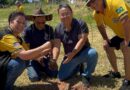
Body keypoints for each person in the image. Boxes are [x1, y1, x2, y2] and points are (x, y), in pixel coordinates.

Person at [0, 11, 54, 90]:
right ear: (11, 21)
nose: (21, 25)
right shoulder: (7, 36)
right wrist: (43, 47)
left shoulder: (18, 38)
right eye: (18, 22)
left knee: (53, 73)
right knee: (19, 63)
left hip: (5, 62)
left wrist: (39, 57)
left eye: (23, 23)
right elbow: (24, 55)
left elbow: (27, 51)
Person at [86, 0, 130, 89]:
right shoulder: (96, 14)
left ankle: (128, 80)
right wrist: (105, 38)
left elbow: (125, 20)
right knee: (107, 46)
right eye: (89, 4)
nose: (92, 5)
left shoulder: (116, 2)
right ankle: (115, 73)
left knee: (125, 47)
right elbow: (100, 26)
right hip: (121, 34)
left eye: (93, 1)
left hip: (128, 31)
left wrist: (127, 40)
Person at [52, 3, 98, 90]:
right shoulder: (58, 28)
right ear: (59, 16)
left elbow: (82, 40)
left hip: (83, 52)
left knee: (93, 53)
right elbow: (57, 46)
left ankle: (86, 76)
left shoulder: (80, 23)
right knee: (61, 77)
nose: (65, 16)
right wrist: (54, 59)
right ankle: (78, 66)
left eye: (67, 13)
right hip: (70, 57)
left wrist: (72, 54)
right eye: (62, 14)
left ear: (72, 13)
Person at [24, 8, 58, 82]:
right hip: (33, 57)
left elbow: (52, 44)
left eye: (43, 22)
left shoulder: (49, 29)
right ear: (33, 20)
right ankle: (35, 68)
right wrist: (37, 57)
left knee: (54, 74)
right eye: (38, 22)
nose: (41, 24)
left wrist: (52, 58)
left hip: (46, 57)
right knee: (34, 78)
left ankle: (42, 69)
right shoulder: (28, 31)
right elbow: (26, 49)